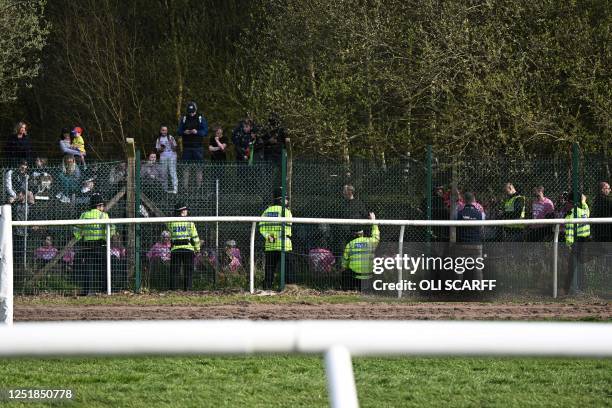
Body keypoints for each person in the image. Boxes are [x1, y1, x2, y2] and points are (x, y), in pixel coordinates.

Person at [73, 193, 115, 295]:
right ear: (99, 205)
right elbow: (112, 229)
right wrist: (106, 238)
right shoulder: (104, 215)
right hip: (100, 245)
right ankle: (104, 289)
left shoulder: (84, 215)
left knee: (88, 268)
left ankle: (88, 290)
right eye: (102, 205)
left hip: (87, 245)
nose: (103, 207)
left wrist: (81, 238)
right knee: (104, 267)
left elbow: (76, 230)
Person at [259, 188, 293, 290]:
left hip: (270, 244)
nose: (287, 201)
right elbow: (289, 225)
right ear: (281, 199)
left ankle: (267, 286)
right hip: (284, 244)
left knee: (269, 268)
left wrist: (269, 236)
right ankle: (287, 287)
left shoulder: (267, 211)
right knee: (287, 267)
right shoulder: (286, 211)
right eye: (286, 199)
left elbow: (261, 226)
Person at [341, 212, 379, 291]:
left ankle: (347, 290)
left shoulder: (350, 245)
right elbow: (376, 236)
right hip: (369, 276)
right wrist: (374, 221)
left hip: (355, 277)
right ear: (362, 232)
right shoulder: (371, 242)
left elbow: (344, 265)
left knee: (345, 272)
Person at [166, 203, 200, 291]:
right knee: (188, 270)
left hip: (175, 249)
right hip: (188, 249)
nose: (187, 211)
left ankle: (173, 289)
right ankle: (187, 289)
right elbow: (195, 237)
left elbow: (168, 227)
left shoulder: (171, 222)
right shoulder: (190, 222)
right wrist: (197, 249)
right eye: (185, 210)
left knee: (174, 270)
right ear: (181, 211)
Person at [563, 191, 591, 295]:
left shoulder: (571, 216)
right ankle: (580, 288)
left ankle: (572, 289)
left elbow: (569, 233)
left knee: (573, 266)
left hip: (575, 244)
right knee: (580, 266)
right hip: (585, 242)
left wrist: (568, 245)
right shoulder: (583, 211)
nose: (566, 204)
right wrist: (583, 202)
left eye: (567, 202)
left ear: (571, 202)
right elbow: (587, 210)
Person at [177, 101, 208, 189]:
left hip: (198, 147)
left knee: (199, 168)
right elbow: (179, 131)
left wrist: (197, 132)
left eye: (193, 112)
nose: (191, 114)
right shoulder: (184, 118)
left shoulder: (200, 118)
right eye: (190, 112)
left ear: (196, 110)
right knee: (186, 168)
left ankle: (199, 188)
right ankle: (185, 189)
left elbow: (205, 131)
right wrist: (184, 132)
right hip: (187, 147)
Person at [455, 192, 485, 282]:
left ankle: (456, 290)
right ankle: (479, 290)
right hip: (476, 243)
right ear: (474, 199)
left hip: (462, 244)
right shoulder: (480, 213)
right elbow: (482, 227)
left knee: (459, 268)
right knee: (478, 268)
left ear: (464, 200)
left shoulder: (459, 213)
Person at [155, 125, 178, 194]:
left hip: (172, 156)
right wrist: (161, 149)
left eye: (165, 130)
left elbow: (175, 148)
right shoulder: (158, 139)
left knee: (172, 172)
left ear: (167, 131)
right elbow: (157, 150)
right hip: (163, 157)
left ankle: (175, 189)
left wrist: (171, 143)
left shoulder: (170, 137)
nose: (164, 131)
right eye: (163, 130)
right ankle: (164, 189)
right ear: (160, 131)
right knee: (164, 173)